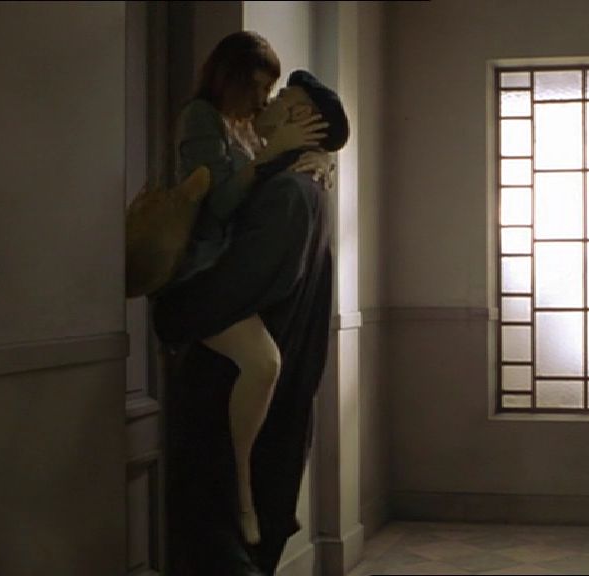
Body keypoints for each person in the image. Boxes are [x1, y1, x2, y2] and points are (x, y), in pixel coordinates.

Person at [151, 32, 349, 575]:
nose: (265, 102)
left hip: (225, 304)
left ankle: (244, 496)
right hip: (202, 273)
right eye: (261, 88)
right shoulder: (206, 120)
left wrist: (310, 156)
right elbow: (220, 203)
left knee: (263, 370)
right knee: (262, 369)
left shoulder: (278, 173)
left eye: (276, 94)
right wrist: (282, 156)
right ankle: (243, 496)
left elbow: (251, 243)